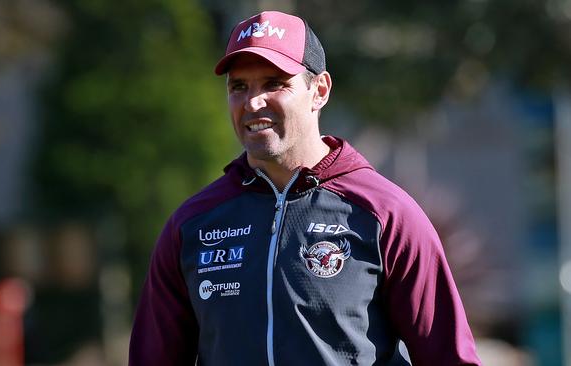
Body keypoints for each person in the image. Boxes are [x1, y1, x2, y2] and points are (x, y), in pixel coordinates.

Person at [129, 10, 481, 366]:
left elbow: (450, 357)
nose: (253, 103)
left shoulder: (386, 215)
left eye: (274, 83)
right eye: (239, 87)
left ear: (320, 90)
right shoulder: (192, 225)